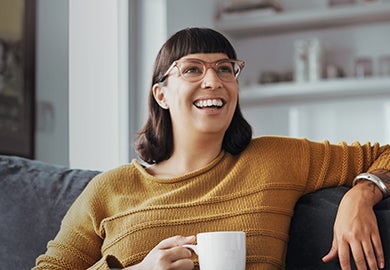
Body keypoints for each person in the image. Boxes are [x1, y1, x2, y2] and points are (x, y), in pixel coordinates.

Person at [34, 27, 390, 270]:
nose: (213, 80)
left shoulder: (276, 159)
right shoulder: (108, 190)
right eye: (192, 69)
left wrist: (362, 194)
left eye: (225, 68)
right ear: (162, 95)